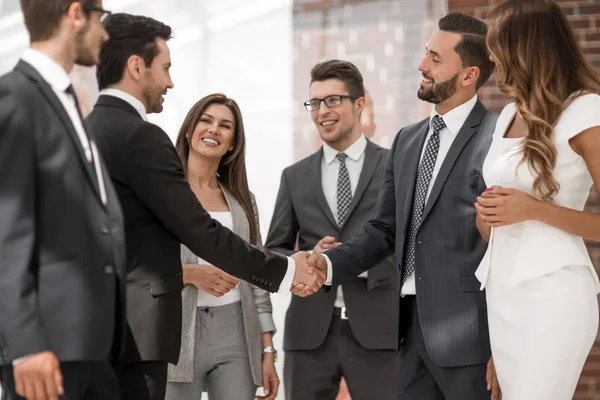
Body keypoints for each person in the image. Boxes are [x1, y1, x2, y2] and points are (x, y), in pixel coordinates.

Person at [85, 13, 321, 400]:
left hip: (94, 328)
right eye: (165, 68)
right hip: (136, 337)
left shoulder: (85, 129)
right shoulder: (141, 137)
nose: (170, 82)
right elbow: (199, 229)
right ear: (136, 66)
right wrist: (284, 269)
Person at [302, 13, 500, 400]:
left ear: (468, 75)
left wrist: (503, 345)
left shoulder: (498, 138)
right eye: (426, 53)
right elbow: (384, 230)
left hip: (471, 340)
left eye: (436, 59)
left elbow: (506, 246)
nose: (422, 65)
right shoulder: (408, 140)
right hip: (407, 332)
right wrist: (328, 265)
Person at [0, 1, 126, 400]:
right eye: (100, 18)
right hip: (45, 354)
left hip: (91, 347)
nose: (104, 34)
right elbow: (6, 231)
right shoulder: (15, 97)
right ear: (75, 13)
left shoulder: (66, 99)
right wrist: (25, 345)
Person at [474, 0, 600, 398]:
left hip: (553, 294)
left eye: (495, 44)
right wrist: (488, 216)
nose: (490, 54)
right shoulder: (509, 113)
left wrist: (534, 210)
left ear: (523, 47)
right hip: (502, 293)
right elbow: (500, 223)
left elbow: (530, 211)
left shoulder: (586, 111)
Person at [265, 60, 399, 400]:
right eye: (315, 102)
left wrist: (352, 258)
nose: (322, 111)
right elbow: (275, 250)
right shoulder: (293, 176)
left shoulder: (394, 166)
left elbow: (410, 242)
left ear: (359, 103)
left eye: (333, 100)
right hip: (309, 333)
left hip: (379, 329)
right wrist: (309, 259)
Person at [164, 94, 279, 400]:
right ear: (189, 130)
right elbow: (138, 266)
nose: (214, 130)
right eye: (206, 120)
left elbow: (257, 276)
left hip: (237, 333)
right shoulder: (160, 194)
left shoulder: (243, 202)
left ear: (232, 144)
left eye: (225, 126)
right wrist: (189, 273)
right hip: (175, 330)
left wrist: (267, 348)